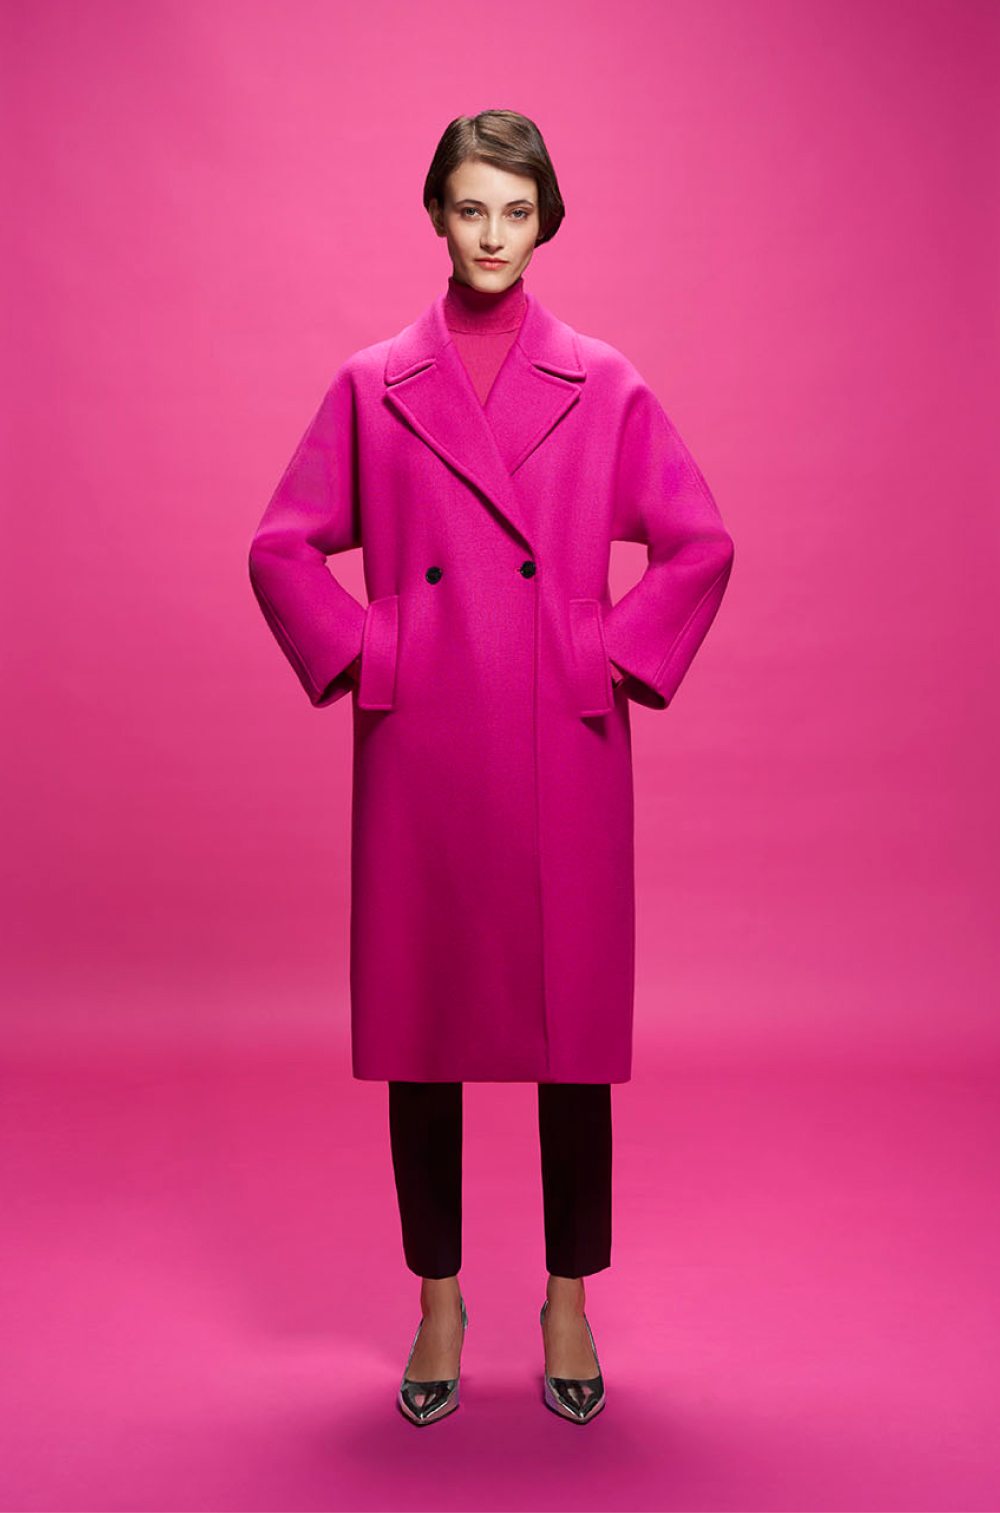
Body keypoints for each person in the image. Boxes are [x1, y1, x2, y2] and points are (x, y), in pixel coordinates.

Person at [248, 110, 735, 1426]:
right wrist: (376, 647)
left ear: (546, 221)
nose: (492, 235)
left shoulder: (604, 381)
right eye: (471, 208)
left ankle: (569, 1293)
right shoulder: (372, 383)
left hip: (561, 744)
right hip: (423, 747)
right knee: (426, 1032)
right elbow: (282, 546)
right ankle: (439, 1298)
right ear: (437, 216)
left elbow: (699, 545)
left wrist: (602, 655)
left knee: (572, 1036)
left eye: (515, 211)